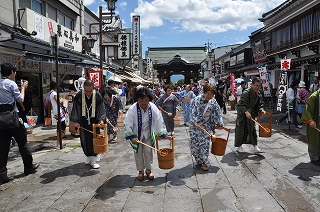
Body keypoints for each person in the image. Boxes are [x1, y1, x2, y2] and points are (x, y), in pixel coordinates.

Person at [0, 63, 39, 184]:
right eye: (15, 71)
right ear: (12, 71)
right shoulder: (11, 84)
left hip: (1, 120)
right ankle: (29, 167)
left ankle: (2, 175)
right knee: (23, 143)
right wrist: (22, 88)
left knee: (2, 147)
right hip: (13, 119)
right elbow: (20, 99)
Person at [124, 87, 168, 181]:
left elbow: (158, 119)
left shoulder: (152, 107)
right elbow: (127, 123)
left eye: (146, 100)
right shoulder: (132, 109)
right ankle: (140, 171)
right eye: (141, 101)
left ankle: (148, 170)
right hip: (136, 134)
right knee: (138, 152)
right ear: (137, 100)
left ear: (149, 99)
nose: (144, 103)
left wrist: (161, 133)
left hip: (148, 132)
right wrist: (131, 136)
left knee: (148, 151)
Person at [70, 80, 106, 169]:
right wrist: (75, 121)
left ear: (93, 88)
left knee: (94, 140)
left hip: (94, 123)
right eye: (86, 91)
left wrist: (101, 119)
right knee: (84, 140)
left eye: (90, 91)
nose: (88, 93)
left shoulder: (97, 96)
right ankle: (88, 155)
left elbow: (101, 109)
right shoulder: (79, 95)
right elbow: (75, 109)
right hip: (83, 122)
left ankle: (94, 158)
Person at [189, 83, 224, 171]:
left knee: (204, 145)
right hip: (195, 126)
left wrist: (219, 123)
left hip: (205, 126)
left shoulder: (213, 101)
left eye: (211, 94)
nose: (209, 96)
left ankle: (205, 162)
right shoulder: (196, 100)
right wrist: (195, 123)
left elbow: (217, 112)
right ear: (203, 92)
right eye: (208, 94)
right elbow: (192, 112)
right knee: (195, 146)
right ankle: (199, 160)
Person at [235, 77, 266, 154]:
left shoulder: (258, 94)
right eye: (256, 85)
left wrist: (261, 110)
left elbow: (260, 104)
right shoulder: (246, 93)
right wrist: (245, 112)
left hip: (251, 115)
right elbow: (239, 105)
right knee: (241, 131)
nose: (257, 87)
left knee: (252, 130)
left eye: (259, 86)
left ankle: (255, 147)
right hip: (242, 114)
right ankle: (239, 147)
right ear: (251, 84)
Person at [301, 89, 320, 166]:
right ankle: (314, 158)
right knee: (314, 138)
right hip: (316, 119)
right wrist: (310, 120)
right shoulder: (314, 96)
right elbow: (307, 109)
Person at [49, 81, 67, 146]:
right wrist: (62, 101)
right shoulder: (53, 93)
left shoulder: (51, 92)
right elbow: (58, 101)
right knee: (61, 126)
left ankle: (58, 141)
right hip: (58, 111)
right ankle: (60, 141)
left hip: (56, 110)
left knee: (59, 126)